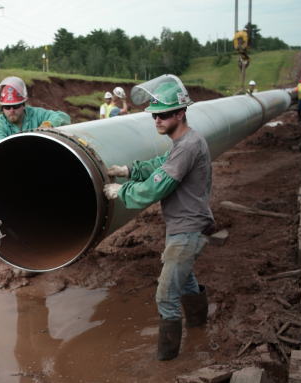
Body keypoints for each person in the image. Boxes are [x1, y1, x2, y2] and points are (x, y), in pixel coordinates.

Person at [102, 74, 213, 361]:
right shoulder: (184, 142)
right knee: (185, 280)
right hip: (183, 225)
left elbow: (158, 186)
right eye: (154, 116)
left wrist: (121, 191)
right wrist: (129, 170)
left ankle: (167, 362)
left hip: (187, 228)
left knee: (165, 294)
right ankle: (200, 330)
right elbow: (159, 164)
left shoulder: (188, 146)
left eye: (163, 115)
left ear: (180, 112)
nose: (157, 121)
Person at [0, 76, 71, 146]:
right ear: (2, 108)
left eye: (15, 106)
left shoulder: (36, 114)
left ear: (23, 105)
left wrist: (49, 124)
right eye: (7, 107)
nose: (11, 110)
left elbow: (64, 117)